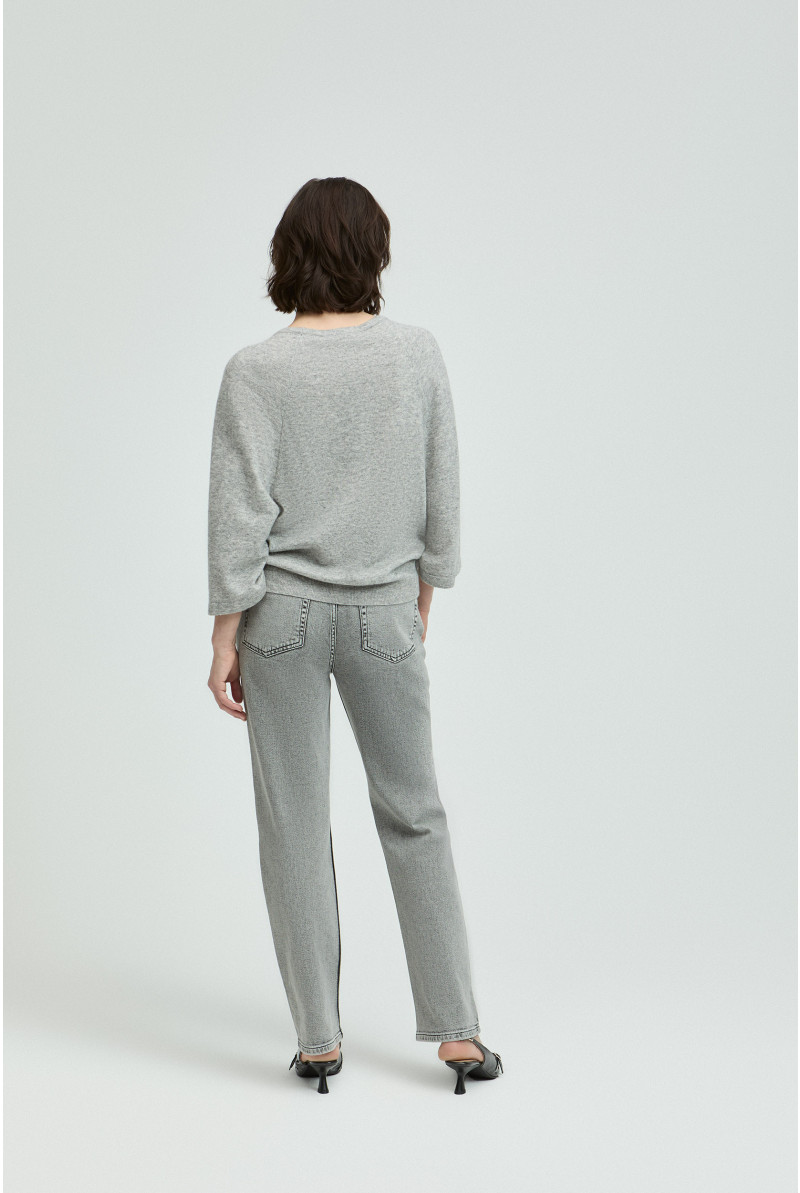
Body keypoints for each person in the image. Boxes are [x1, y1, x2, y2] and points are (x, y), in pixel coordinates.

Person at [206, 176, 503, 1095]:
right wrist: (423, 596)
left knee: (294, 825)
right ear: (374, 252)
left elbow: (239, 513)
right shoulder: (416, 355)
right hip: (384, 610)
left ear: (286, 254)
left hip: (280, 618)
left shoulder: (255, 370)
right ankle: (458, 1032)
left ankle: (318, 1039)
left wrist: (224, 635)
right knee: (415, 811)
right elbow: (441, 488)